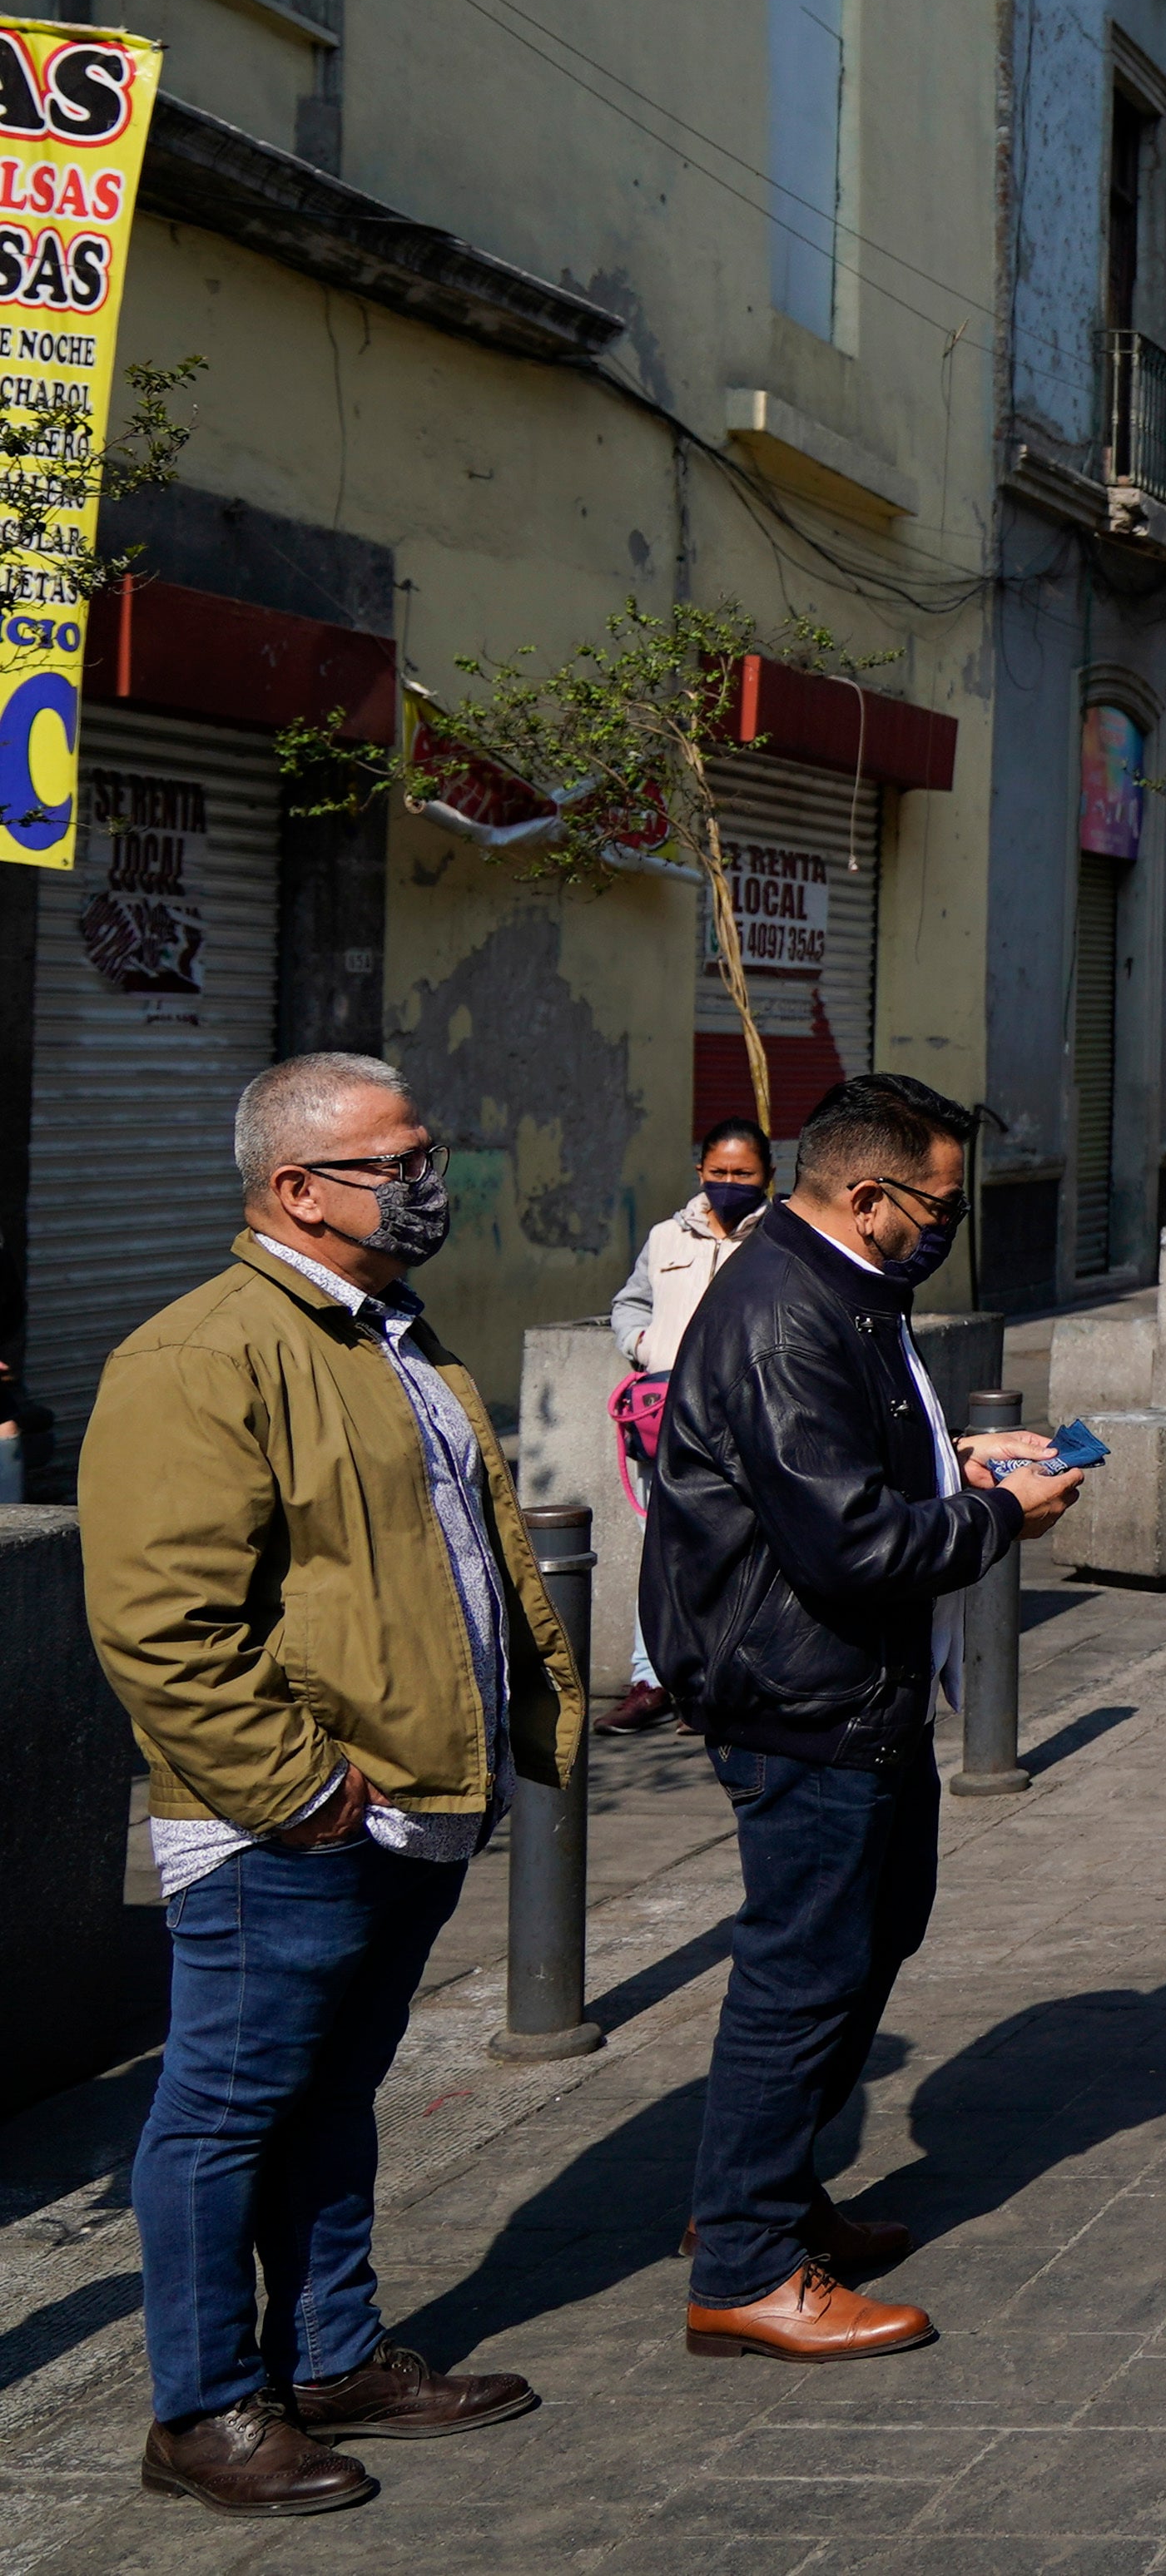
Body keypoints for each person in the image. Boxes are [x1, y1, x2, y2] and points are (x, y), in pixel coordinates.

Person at [81, 1053, 583, 2513]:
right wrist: (299, 1791)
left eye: (430, 1151)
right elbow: (162, 1625)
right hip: (287, 1823)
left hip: (403, 1800)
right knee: (227, 2105)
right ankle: (204, 2408)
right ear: (297, 1188)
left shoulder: (384, 1330)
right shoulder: (201, 1355)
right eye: (399, 1160)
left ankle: (332, 2352)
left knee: (332, 2094)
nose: (431, 1182)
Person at [649, 1071, 1078, 2356]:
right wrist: (1001, 1517)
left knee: (870, 1937)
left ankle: (770, 2197)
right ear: (871, 1192)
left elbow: (850, 1467)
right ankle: (739, 2262)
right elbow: (840, 1542)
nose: (951, 1223)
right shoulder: (785, 1305)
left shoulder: (844, 1285)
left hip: (860, 1684)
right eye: (941, 1202)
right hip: (802, 1688)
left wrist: (966, 1464)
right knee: (804, 1969)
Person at [594, 1116, 776, 1736]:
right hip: (666, 1417)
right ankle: (654, 1679)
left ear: (768, 1177)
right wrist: (643, 1343)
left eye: (743, 1174)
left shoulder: (779, 1238)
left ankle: (722, 1677)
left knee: (740, 1543)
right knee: (661, 1548)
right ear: (700, 1171)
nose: (729, 1183)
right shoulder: (665, 1238)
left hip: (748, 1417)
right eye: (719, 1172)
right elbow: (629, 1302)